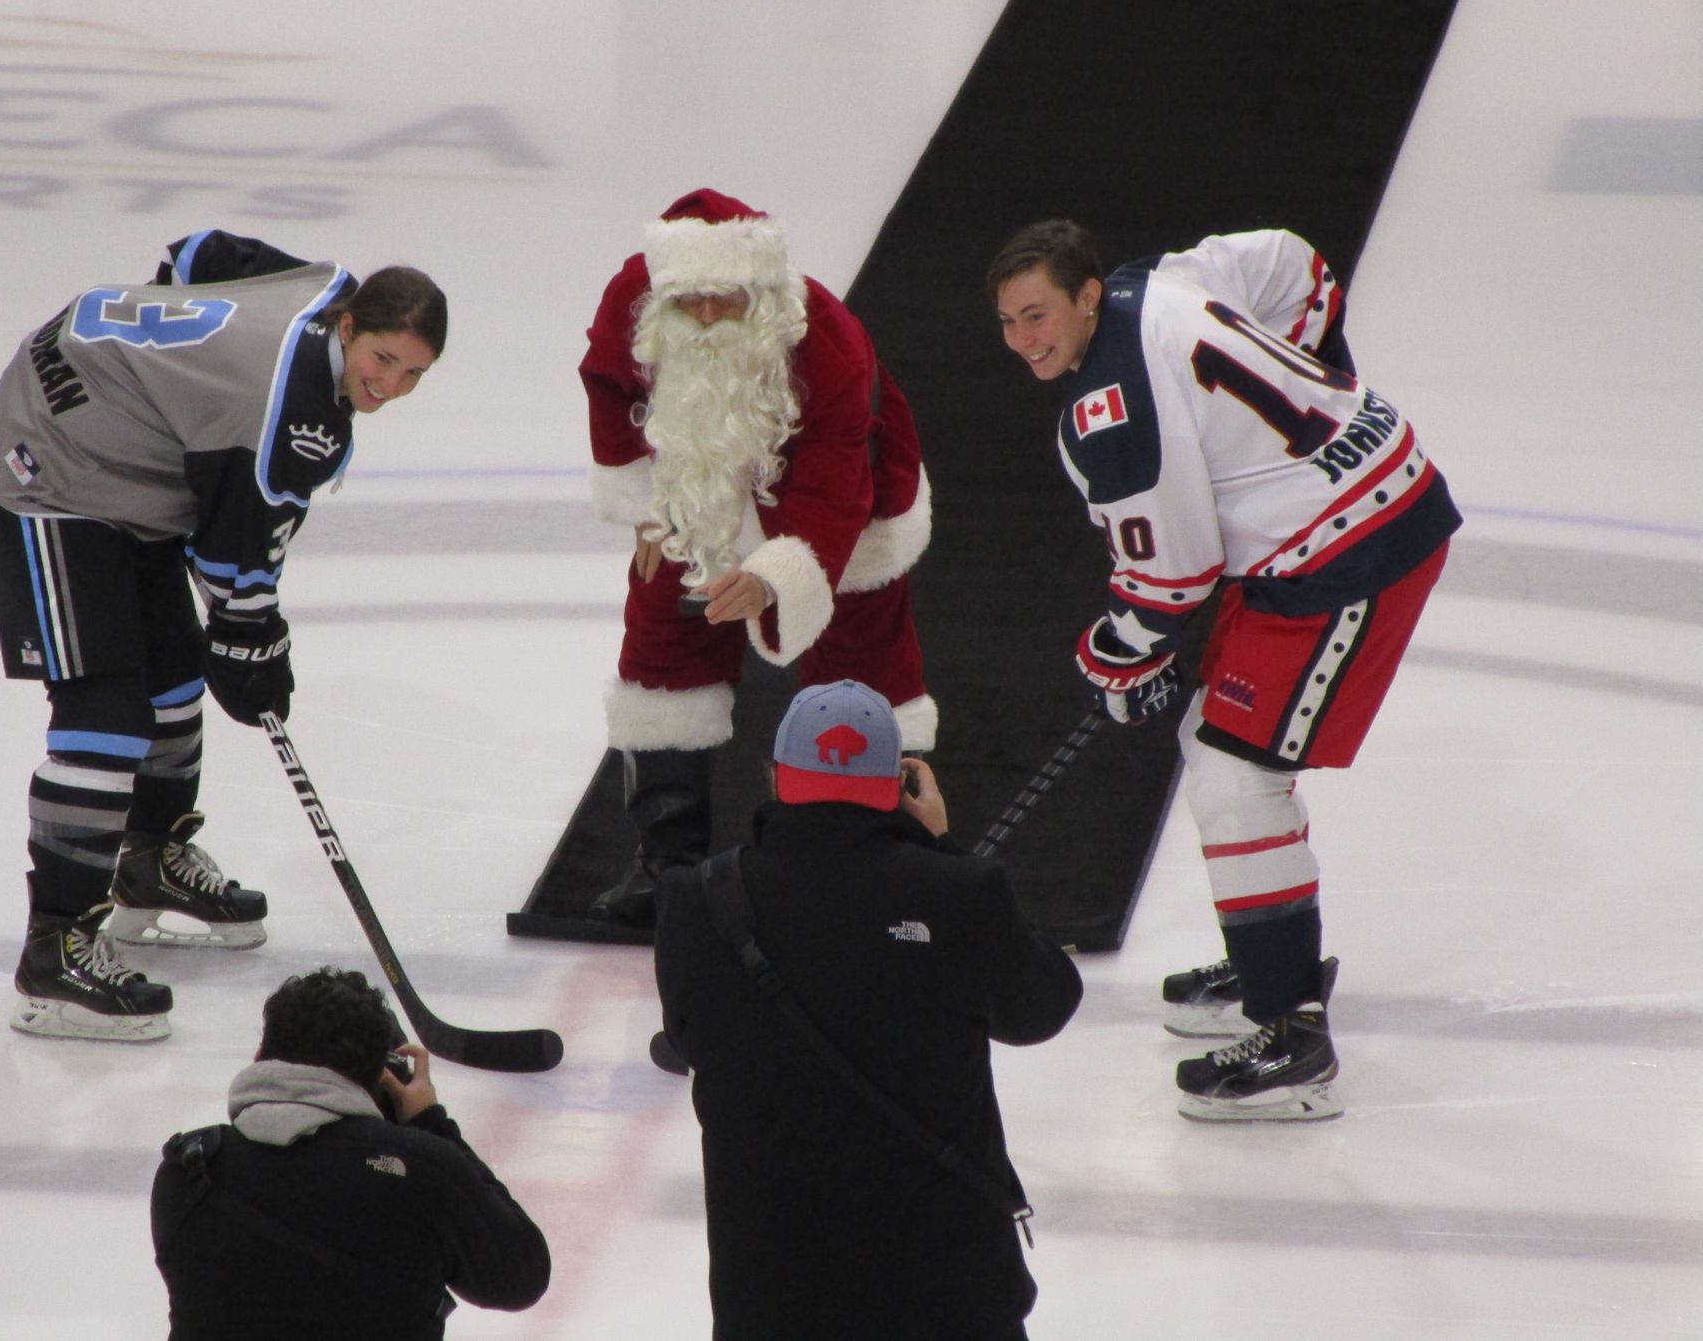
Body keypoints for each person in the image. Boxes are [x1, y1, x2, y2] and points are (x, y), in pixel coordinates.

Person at [988, 222, 1461, 1122]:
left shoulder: (1109, 410)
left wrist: (1114, 654)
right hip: (1348, 511)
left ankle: (1292, 1032)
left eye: (1038, 314)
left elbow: (1174, 575)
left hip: (1345, 551)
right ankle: (1271, 956)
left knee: (1236, 773)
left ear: (1088, 296)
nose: (1024, 340)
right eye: (1008, 321)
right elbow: (1294, 263)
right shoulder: (1156, 278)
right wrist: (1323, 394)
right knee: (1218, 749)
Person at [0, 229, 444, 1041]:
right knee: (107, 712)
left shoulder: (321, 283)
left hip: (127, 450)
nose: (390, 385)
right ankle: (55, 944)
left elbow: (198, 253)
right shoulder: (294, 418)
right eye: (382, 361)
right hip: (50, 463)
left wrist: (170, 381)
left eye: (413, 374)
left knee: (176, 680)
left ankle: (149, 861)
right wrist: (253, 642)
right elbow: (234, 560)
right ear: (349, 327)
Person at [654, 680, 1082, 1341]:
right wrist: (941, 848)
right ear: (897, 786)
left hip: (771, 1297)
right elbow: (1041, 1007)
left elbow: (691, 1039)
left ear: (777, 778)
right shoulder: (960, 894)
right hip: (950, 1296)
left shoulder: (695, 903)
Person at [580, 189, 936, 927]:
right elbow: (610, 392)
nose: (707, 315)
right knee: (661, 649)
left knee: (863, 665)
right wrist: (649, 508)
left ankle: (880, 852)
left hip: (841, 499)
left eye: (726, 300)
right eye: (690, 302)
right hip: (696, 486)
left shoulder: (829, 342)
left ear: (762, 294)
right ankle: (665, 863)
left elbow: (837, 485)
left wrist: (778, 579)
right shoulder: (633, 299)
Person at [150, 967, 550, 1339]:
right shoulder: (420, 1169)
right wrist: (429, 1122)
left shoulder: (187, 1171)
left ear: (260, 1057)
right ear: (382, 1081)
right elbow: (521, 1276)